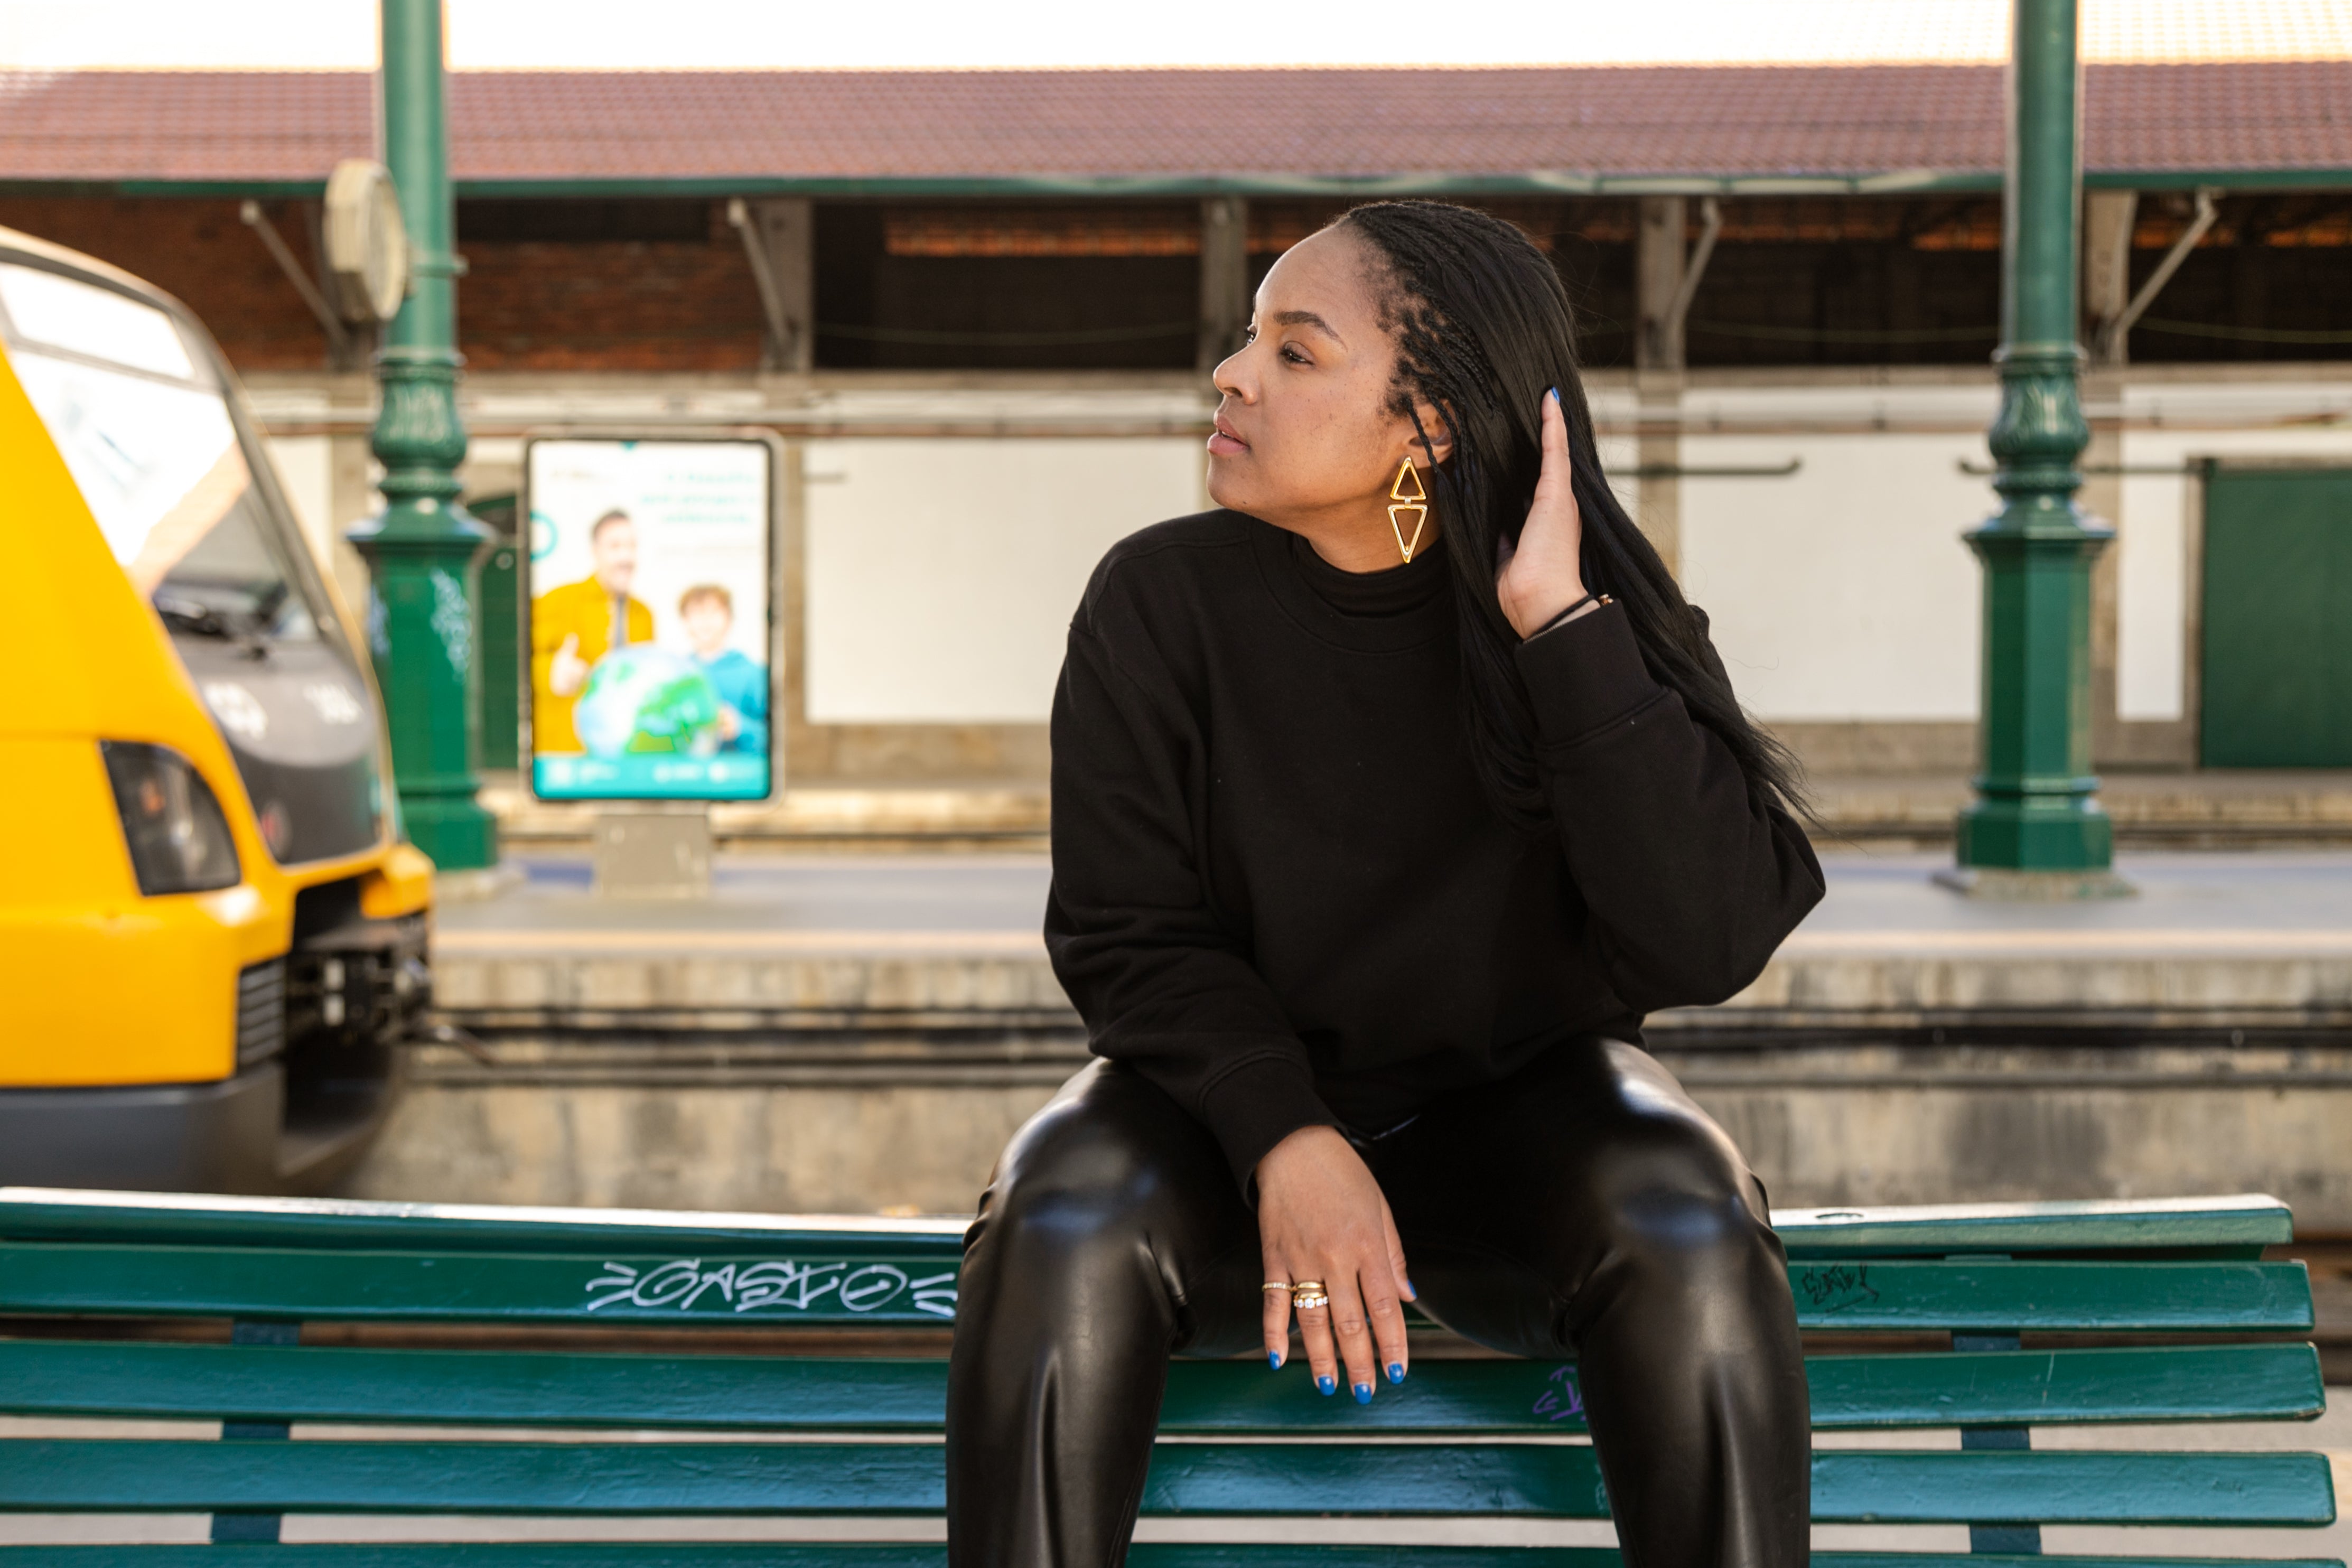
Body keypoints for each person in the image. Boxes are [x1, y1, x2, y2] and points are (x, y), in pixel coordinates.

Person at [946, 200, 1826, 1568]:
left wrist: (1563, 635)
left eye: (1293, 353)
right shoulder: (1157, 601)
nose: (1232, 374)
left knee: (1680, 1209)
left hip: (1516, 1135)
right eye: (1249, 340)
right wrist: (1288, 1136)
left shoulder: (1583, 614)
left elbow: (1709, 939)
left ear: (1428, 424)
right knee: (1060, 1211)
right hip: (1215, 1132)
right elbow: (1128, 934)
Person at [531, 508, 652, 755]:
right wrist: (549, 672)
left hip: (624, 755)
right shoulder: (557, 600)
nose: (626, 557)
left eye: (631, 546)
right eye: (615, 546)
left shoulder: (644, 614)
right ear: (596, 552)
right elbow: (512, 664)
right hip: (566, 758)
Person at [677, 583, 769, 757]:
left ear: (729, 618)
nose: (705, 621)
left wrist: (741, 727)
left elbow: (780, 740)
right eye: (696, 613)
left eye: (714, 612)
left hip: (738, 771)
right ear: (685, 621)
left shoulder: (754, 675)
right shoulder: (677, 675)